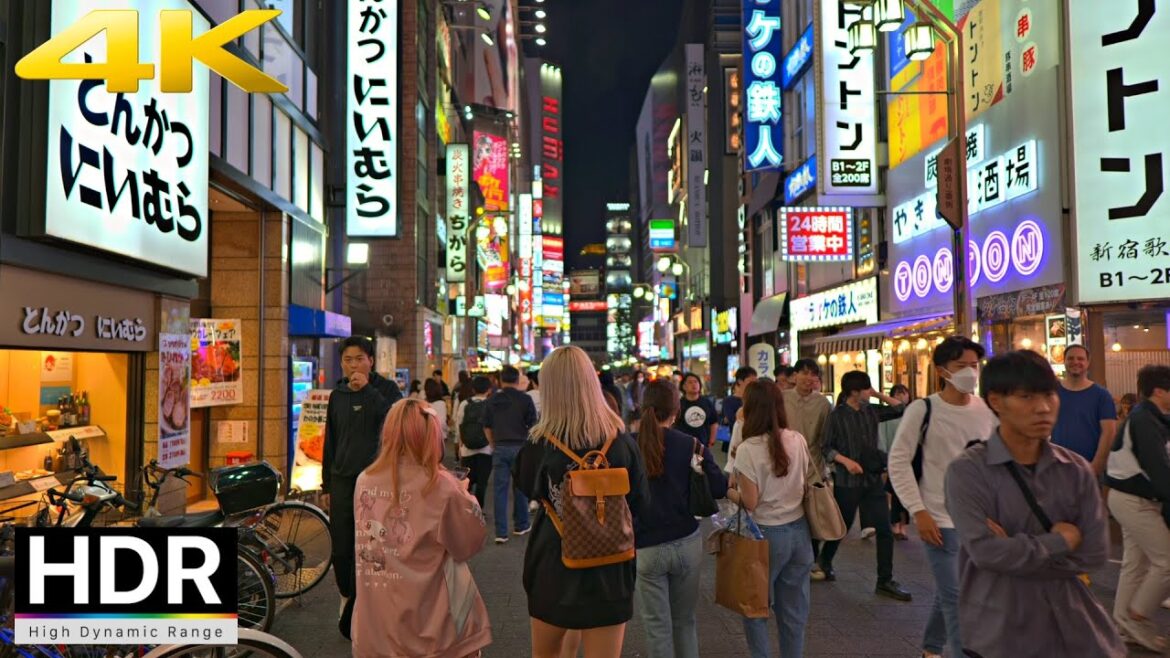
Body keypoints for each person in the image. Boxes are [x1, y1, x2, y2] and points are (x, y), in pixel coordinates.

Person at [944, 350, 1124, 658]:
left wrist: (1014, 551)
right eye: (1026, 397)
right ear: (996, 401)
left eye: (1049, 395)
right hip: (1001, 631)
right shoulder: (968, 471)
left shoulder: (1075, 469)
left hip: (1074, 629)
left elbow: (1094, 553)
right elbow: (985, 552)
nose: (1043, 408)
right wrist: (1062, 541)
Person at [514, 345, 649, 658]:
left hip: (554, 562)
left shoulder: (539, 443)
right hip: (611, 565)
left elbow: (526, 487)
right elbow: (641, 502)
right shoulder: (622, 442)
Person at [350, 398, 492, 658]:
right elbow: (467, 545)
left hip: (375, 625)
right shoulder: (441, 486)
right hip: (431, 627)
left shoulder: (364, 480)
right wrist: (466, 498)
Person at [888, 337, 998, 658]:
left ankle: (931, 648)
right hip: (938, 519)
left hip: (979, 520)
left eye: (974, 366)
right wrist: (917, 511)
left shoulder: (987, 410)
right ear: (941, 371)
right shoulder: (923, 409)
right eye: (961, 366)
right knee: (957, 596)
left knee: (953, 589)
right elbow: (898, 460)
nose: (970, 372)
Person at [633, 380, 728, 658]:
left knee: (656, 625)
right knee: (685, 622)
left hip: (646, 546)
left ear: (644, 407)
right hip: (686, 542)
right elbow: (719, 487)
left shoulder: (627, 445)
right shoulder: (691, 444)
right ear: (676, 410)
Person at [726, 380, 814, 658]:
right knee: (793, 614)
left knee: (755, 610)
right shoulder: (797, 439)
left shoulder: (748, 449)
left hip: (764, 536)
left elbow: (750, 502)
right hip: (800, 533)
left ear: (749, 408)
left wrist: (728, 491)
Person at [322, 336, 403, 617]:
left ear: (371, 360)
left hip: (378, 481)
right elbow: (330, 442)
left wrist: (368, 390)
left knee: (377, 545)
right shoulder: (337, 395)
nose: (353, 365)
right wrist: (326, 486)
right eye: (347, 359)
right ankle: (347, 594)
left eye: (359, 359)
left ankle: (374, 603)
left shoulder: (387, 390)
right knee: (342, 547)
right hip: (343, 480)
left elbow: (396, 423)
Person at [819, 370, 911, 601]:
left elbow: (902, 408)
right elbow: (826, 447)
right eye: (866, 389)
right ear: (853, 392)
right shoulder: (837, 416)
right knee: (842, 526)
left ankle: (885, 580)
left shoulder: (871, 411)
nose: (869, 393)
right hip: (847, 482)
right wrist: (846, 461)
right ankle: (825, 561)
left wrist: (877, 393)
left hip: (872, 481)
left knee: (884, 529)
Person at [1105, 364, 1170, 652]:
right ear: (1159, 391)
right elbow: (1159, 470)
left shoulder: (1156, 417)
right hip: (1133, 500)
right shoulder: (1144, 420)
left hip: (1131, 497)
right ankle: (1138, 616)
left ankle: (1122, 625)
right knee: (1167, 562)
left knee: (1136, 564)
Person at [783, 359, 833, 578]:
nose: (809, 378)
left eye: (814, 375)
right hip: (784, 468)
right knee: (787, 514)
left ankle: (810, 561)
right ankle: (789, 557)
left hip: (813, 468)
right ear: (794, 376)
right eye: (804, 373)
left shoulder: (823, 404)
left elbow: (825, 438)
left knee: (812, 516)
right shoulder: (782, 398)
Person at [483, 365, 538, 544]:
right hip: (520, 447)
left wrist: (493, 444)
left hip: (500, 447)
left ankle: (501, 532)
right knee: (520, 487)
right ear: (517, 380)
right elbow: (533, 427)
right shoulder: (525, 399)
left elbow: (487, 426)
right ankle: (521, 525)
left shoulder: (492, 400)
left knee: (500, 490)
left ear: (500, 380)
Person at [1052, 344, 1117, 474]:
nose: (1075, 362)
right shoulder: (1053, 392)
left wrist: (1096, 466)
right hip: (1056, 468)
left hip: (1089, 467)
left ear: (1088, 363)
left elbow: (1109, 433)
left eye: (1080, 359)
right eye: (1070, 358)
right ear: (1064, 361)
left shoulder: (1102, 395)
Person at [454, 375, 494, 508]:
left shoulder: (465, 404)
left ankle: (465, 507)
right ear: (489, 390)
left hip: (467, 449)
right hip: (486, 450)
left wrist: (460, 446)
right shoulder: (491, 404)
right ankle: (479, 509)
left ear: (473, 389)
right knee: (482, 483)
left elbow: (459, 425)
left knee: (466, 481)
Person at [879, 384, 913, 541]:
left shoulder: (913, 414)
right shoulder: (886, 416)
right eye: (897, 394)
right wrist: (884, 459)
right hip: (892, 459)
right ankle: (895, 525)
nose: (901, 397)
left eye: (903, 393)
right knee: (894, 493)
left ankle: (902, 526)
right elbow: (882, 438)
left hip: (909, 460)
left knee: (905, 494)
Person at [675, 373, 718, 448]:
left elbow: (714, 422)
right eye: (690, 382)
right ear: (684, 386)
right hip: (683, 445)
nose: (694, 384)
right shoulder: (678, 404)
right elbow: (673, 424)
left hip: (703, 444)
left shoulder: (707, 402)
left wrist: (712, 440)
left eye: (696, 382)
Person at [424, 379, 449, 444]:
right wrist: (447, 430)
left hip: (426, 436)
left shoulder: (423, 403)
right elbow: (442, 422)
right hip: (439, 436)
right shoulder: (441, 403)